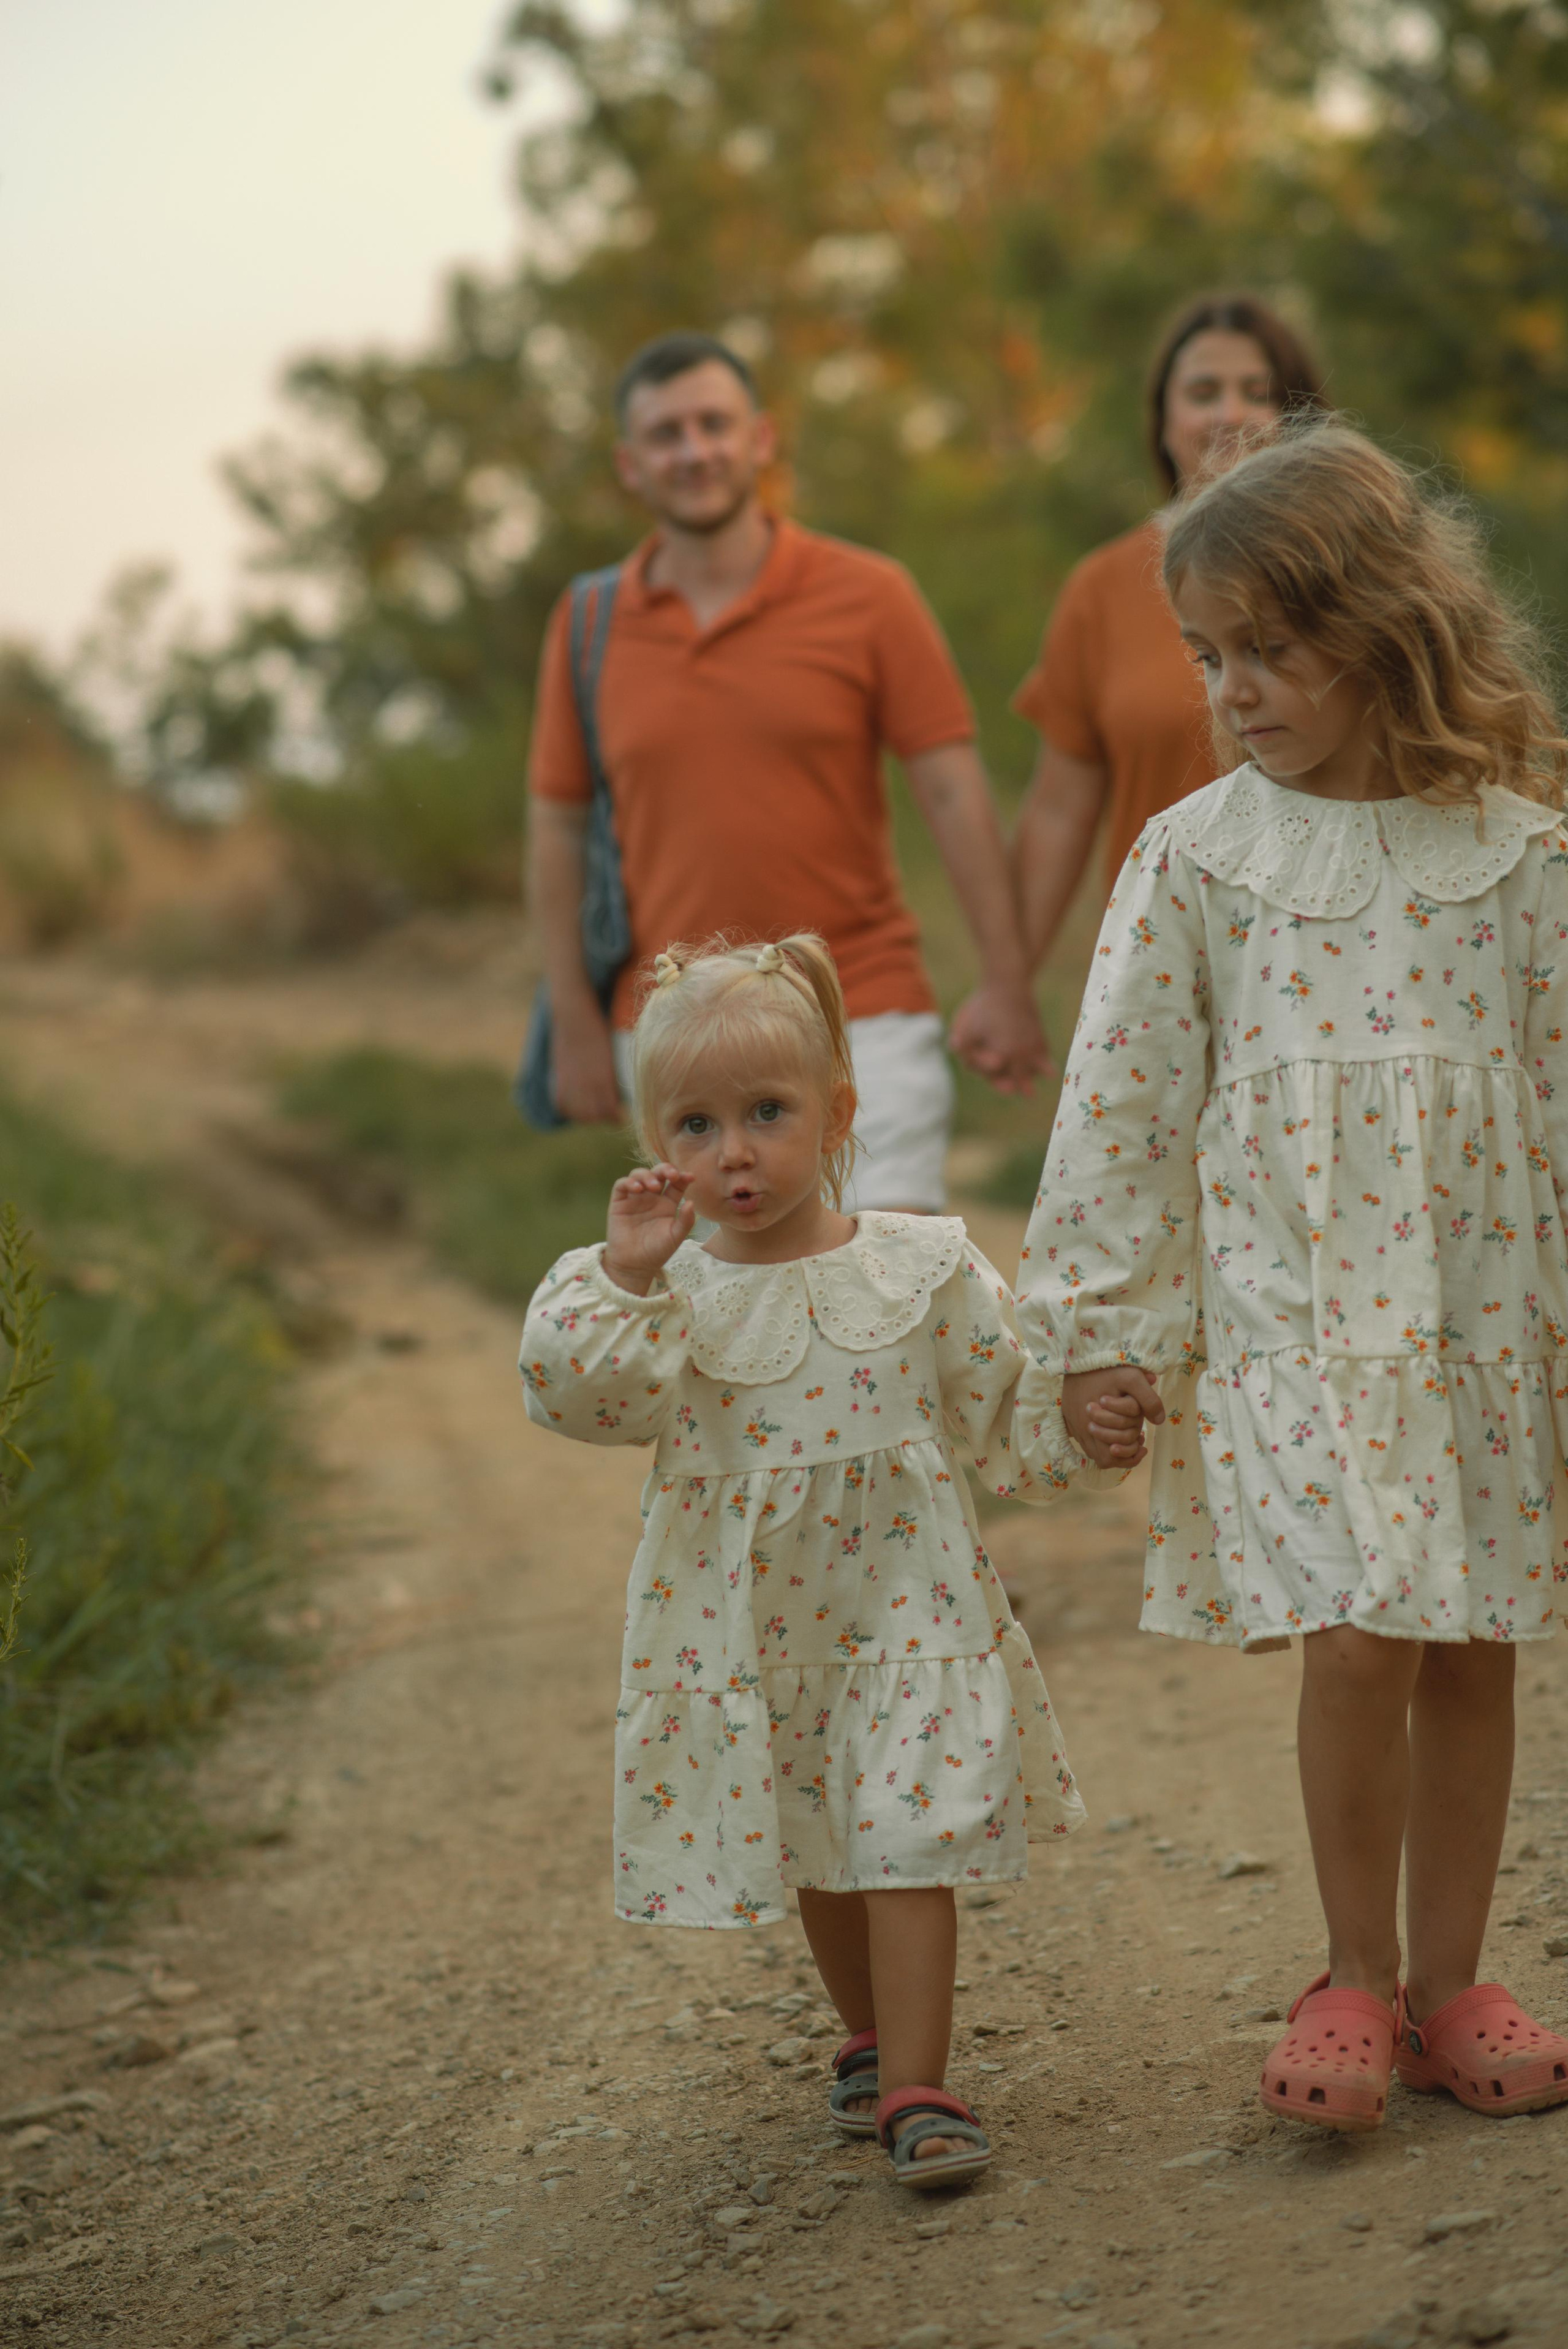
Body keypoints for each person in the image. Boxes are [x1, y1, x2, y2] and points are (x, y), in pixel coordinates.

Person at [1015, 422, 1568, 2131]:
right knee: (1354, 1637)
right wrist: (1100, 1332)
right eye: (1207, 654)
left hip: (1484, 1325)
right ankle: (1350, 1967)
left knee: (1473, 1639)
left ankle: (1456, 1979)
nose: (1233, 687)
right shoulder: (1198, 862)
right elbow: (1121, 1104)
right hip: (1299, 1329)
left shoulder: (1523, 855)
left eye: (1269, 646)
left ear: (1384, 625)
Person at [519, 932, 1083, 2184]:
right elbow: (569, 1395)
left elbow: (1004, 1412)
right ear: (653, 1147)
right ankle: (872, 2041)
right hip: (758, 1634)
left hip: (905, 1616)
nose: (732, 1152)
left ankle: (922, 2091)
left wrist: (1079, 1419)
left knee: (903, 1832)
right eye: (694, 1125)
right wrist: (621, 1273)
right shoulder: (668, 1302)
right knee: (817, 1835)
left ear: (835, 1112)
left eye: (765, 1113)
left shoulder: (916, 1263)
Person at [526, 330, 1048, 1212]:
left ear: (761, 439)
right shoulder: (587, 626)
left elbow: (954, 791)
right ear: (630, 463)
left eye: (714, 424)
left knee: (884, 1304)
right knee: (733, 1331)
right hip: (674, 1033)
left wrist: (1006, 980)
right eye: (666, 434)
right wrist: (575, 1022)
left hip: (860, 1014)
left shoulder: (870, 594)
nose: (694, 451)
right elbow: (556, 828)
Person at [1010, 292, 1327, 989]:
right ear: (1162, 421)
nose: (1229, 414)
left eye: (1258, 392)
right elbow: (1060, 810)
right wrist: (1006, 987)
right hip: (1164, 970)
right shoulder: (1101, 588)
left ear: (1301, 419)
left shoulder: (1353, 571)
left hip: (1337, 964)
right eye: (1202, 392)